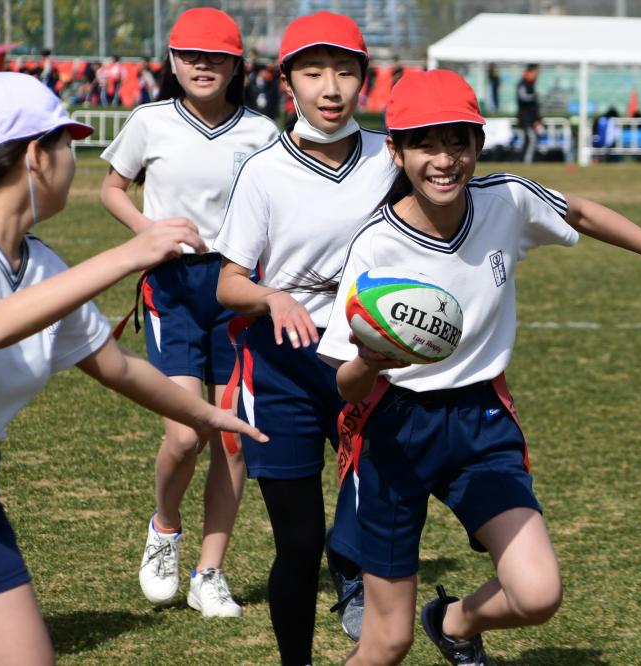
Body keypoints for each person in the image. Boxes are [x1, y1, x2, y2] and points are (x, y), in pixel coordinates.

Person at [315, 69, 641, 666]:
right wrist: (371, 360)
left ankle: (455, 622)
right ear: (395, 150)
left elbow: (583, 213)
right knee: (387, 641)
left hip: (479, 418)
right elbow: (342, 382)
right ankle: (421, 625)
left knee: (538, 594)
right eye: (425, 143)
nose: (445, 159)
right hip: (391, 427)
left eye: (458, 141)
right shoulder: (375, 247)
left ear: (478, 145)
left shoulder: (506, 200)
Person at [0, 72, 265, 666]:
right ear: (36, 156)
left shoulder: (42, 266)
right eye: (66, 145)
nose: (73, 160)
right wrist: (132, 253)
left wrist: (212, 416)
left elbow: (120, 367)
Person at [213, 10, 397, 659]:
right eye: (313, 71)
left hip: (369, 359)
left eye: (345, 71)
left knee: (375, 509)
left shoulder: (390, 156)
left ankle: (352, 574)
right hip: (281, 366)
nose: (330, 86)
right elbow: (228, 283)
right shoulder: (264, 170)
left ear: (363, 80)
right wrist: (273, 296)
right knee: (297, 542)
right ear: (287, 78)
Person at [99, 8, 278, 618]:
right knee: (184, 433)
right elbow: (111, 188)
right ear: (172, 62)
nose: (203, 66)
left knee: (231, 441)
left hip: (234, 288)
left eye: (217, 56)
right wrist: (149, 233)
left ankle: (210, 572)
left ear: (238, 66)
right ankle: (165, 527)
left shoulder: (262, 133)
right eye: (190, 55)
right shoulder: (149, 121)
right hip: (170, 288)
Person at [516, 63, 541, 163]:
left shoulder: (530, 84)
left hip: (530, 118)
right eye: (536, 71)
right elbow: (522, 97)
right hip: (525, 118)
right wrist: (533, 96)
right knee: (532, 138)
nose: (538, 74)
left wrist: (537, 119)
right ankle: (527, 161)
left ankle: (524, 160)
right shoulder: (523, 83)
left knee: (528, 139)